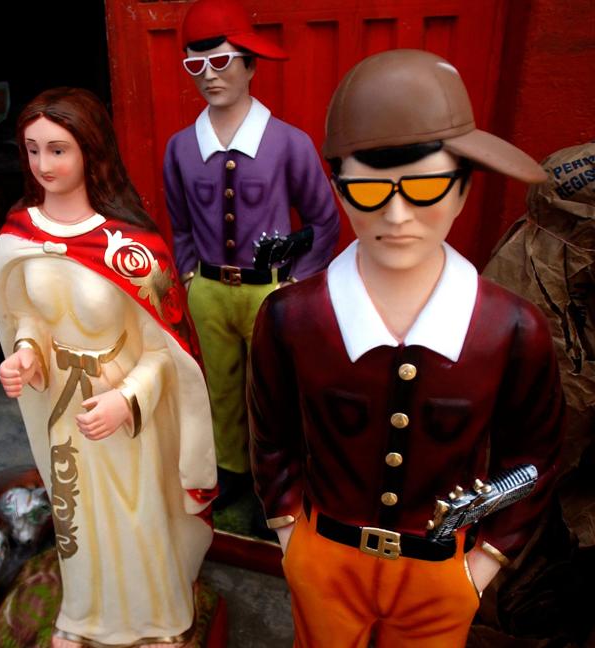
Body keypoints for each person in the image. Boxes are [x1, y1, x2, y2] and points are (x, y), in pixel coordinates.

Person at [249, 49, 565, 647]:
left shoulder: (511, 329)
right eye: (367, 190)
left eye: (424, 187)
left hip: (442, 571)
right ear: (338, 189)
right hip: (325, 558)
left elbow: (536, 455)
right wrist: (290, 535)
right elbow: (273, 436)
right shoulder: (291, 317)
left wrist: (486, 562)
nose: (396, 215)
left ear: (465, 189)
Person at [0, 87, 217, 647]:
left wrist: (127, 400)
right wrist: (24, 356)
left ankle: (157, 621)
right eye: (33, 150)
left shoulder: (133, 249)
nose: (44, 165)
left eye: (58, 150)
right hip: (64, 407)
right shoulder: (19, 237)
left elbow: (168, 351)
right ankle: (86, 615)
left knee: (137, 514)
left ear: (91, 151)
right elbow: (26, 318)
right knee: (75, 516)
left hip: (125, 411)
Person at [163, 0, 339, 507]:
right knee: (219, 390)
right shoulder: (180, 147)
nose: (209, 76)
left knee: (274, 394)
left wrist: (295, 281)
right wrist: (191, 277)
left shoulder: (289, 143)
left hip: (271, 292)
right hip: (211, 292)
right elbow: (180, 223)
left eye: (222, 62)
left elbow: (324, 219)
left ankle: (276, 484)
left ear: (251, 64)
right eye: (196, 65)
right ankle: (232, 474)